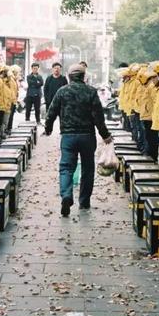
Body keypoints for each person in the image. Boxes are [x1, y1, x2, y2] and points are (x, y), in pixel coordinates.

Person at [44, 63, 112, 216]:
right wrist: (105, 135)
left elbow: (51, 112)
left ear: (69, 76)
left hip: (68, 137)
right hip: (87, 137)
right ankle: (84, 202)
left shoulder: (62, 91)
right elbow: (98, 117)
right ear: (83, 76)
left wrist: (48, 129)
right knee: (88, 168)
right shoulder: (91, 92)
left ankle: (66, 195)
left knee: (66, 168)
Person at [138, 66, 159, 161]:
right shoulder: (147, 86)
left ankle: (152, 157)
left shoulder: (151, 87)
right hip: (146, 116)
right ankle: (150, 155)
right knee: (149, 138)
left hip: (150, 117)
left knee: (152, 139)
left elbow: (156, 101)